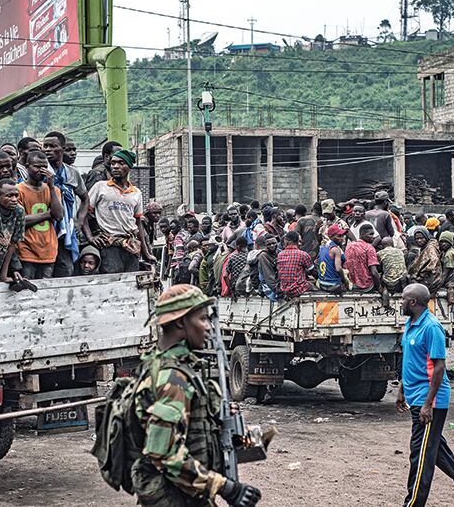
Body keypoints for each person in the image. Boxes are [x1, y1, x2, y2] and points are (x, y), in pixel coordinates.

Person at [132, 284, 262, 507]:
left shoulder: (173, 368)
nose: (209, 327)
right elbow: (163, 452)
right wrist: (224, 487)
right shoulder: (172, 377)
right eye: (203, 319)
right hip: (174, 498)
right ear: (181, 322)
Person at [396, 283, 454, 507]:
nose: (401, 302)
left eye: (404, 298)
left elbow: (439, 367)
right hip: (416, 395)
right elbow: (410, 361)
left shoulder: (431, 327)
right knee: (434, 450)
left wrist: (428, 405)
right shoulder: (410, 323)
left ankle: (413, 503)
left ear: (414, 302)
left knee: (421, 455)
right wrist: (401, 391)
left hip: (430, 400)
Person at [86, 149, 154, 273]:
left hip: (130, 245)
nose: (116, 166)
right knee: (113, 279)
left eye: (121, 163)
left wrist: (146, 253)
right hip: (109, 244)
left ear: (129, 167)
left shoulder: (136, 192)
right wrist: (91, 237)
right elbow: (83, 214)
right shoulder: (101, 187)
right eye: (113, 163)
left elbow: (138, 224)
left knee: (132, 281)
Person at [44, 131, 89, 277]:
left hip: (67, 230)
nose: (48, 150)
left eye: (52, 146)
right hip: (45, 228)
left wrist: (79, 222)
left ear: (62, 149)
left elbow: (85, 198)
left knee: (67, 269)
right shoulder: (40, 171)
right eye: (45, 146)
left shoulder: (72, 173)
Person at [16, 149, 65, 280]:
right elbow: (20, 221)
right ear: (27, 167)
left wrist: (51, 186)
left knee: (45, 291)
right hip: (26, 250)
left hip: (48, 251)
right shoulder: (18, 190)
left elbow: (59, 216)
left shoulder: (54, 190)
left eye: (44, 166)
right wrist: (48, 214)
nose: (41, 170)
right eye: (37, 166)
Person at [277, 230, 314, 299]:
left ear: (286, 241)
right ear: (297, 241)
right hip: (297, 290)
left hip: (284, 289)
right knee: (313, 284)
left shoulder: (280, 254)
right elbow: (313, 271)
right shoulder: (303, 254)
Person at [344, 223, 379, 293]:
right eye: (371, 234)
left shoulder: (349, 246)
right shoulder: (369, 248)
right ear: (362, 234)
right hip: (366, 286)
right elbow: (374, 272)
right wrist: (379, 287)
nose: (374, 237)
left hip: (351, 285)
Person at [407, 227, 443, 295]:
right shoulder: (423, 248)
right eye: (417, 239)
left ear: (426, 237)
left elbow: (432, 262)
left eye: (421, 238)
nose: (419, 240)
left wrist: (420, 276)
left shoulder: (430, 248)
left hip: (432, 279)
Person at [316, 224, 347, 293]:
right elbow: (338, 269)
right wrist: (344, 281)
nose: (342, 238)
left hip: (322, 283)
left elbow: (316, 262)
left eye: (342, 235)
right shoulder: (336, 249)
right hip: (333, 285)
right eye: (339, 236)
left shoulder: (322, 247)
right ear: (331, 237)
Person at [438, 231, 454, 304]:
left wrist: (438, 285)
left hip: (451, 281)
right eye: (442, 242)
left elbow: (446, 273)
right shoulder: (452, 250)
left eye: (446, 242)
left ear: (450, 242)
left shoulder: (449, 254)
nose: (443, 244)